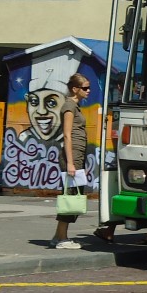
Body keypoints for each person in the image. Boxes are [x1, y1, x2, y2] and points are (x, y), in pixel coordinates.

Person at [51, 73, 89, 249]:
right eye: (85, 88)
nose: (88, 91)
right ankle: (62, 239)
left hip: (77, 156)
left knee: (72, 195)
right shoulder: (69, 106)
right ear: (75, 89)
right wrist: (71, 163)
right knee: (70, 196)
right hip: (71, 156)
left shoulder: (75, 106)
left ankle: (58, 236)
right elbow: (67, 135)